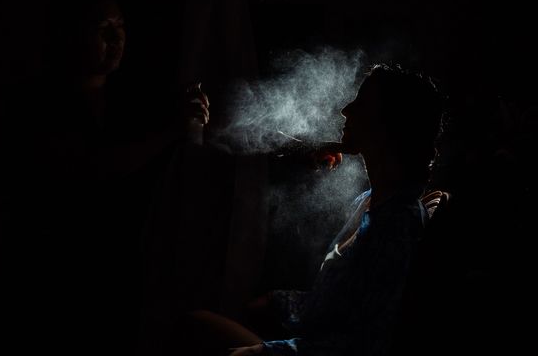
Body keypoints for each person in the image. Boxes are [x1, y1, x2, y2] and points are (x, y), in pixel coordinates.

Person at [0, 0, 210, 355]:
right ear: (69, 34)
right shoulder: (37, 102)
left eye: (121, 27)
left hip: (118, 272)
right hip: (52, 273)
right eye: (103, 29)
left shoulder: (127, 102)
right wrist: (172, 130)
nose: (117, 38)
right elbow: (91, 169)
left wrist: (194, 120)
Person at [183, 64, 444, 356]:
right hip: (309, 339)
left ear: (387, 125)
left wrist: (266, 351)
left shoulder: (397, 227)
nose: (346, 110)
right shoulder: (369, 201)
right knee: (197, 323)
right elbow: (337, 302)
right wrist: (278, 302)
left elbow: (361, 344)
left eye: (361, 103)